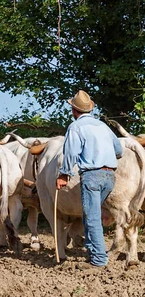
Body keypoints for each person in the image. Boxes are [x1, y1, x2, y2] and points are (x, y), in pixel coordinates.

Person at [56, 90, 123, 269]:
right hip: (109, 176)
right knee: (90, 214)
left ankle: (99, 260)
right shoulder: (103, 126)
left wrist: (64, 174)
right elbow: (119, 151)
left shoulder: (76, 127)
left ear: (73, 110)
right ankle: (93, 251)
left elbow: (70, 153)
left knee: (92, 217)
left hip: (92, 176)